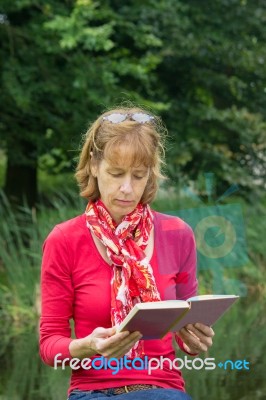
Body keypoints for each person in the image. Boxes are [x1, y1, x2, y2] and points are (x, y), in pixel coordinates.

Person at [39, 106, 214, 400]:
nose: (127, 189)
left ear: (151, 176)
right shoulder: (65, 239)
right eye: (116, 173)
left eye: (138, 176)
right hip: (92, 392)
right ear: (94, 166)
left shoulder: (178, 234)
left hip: (163, 389)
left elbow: (185, 325)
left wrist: (194, 340)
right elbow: (49, 345)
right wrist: (88, 346)